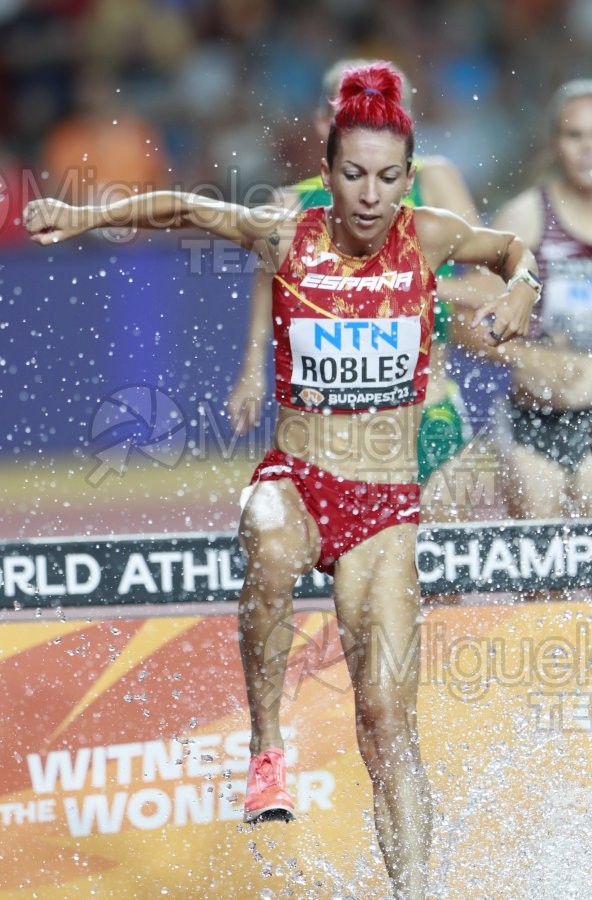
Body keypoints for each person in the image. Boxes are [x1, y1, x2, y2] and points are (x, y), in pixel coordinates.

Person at [24, 61, 540, 897]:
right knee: (264, 525)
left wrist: (523, 289)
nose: (369, 196)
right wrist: (83, 213)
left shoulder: (433, 233)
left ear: (407, 178)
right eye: (352, 175)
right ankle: (269, 751)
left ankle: (416, 890)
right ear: (326, 173)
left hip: (384, 512)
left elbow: (514, 250)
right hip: (301, 478)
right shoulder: (286, 234)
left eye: (386, 178)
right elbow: (186, 207)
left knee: (386, 726)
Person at [228, 58, 481, 523]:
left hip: (429, 410)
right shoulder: (289, 204)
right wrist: (251, 371)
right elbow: (268, 288)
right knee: (351, 564)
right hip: (333, 426)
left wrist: (404, 284)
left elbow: (485, 283)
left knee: (442, 557)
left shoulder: (429, 179)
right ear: (327, 124)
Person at [452, 79, 592, 523]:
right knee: (538, 551)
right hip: (535, 420)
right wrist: (529, 356)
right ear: (555, 143)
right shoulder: (527, 217)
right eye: (575, 135)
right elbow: (465, 322)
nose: (588, 149)